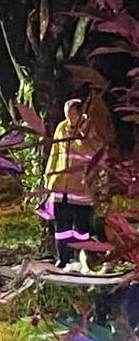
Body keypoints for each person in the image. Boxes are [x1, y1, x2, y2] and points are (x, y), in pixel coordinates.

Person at [45, 99, 103, 273]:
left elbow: (95, 152)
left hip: (81, 190)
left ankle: (81, 258)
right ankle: (63, 258)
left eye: (72, 115)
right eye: (66, 115)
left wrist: (80, 136)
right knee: (61, 228)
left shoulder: (90, 129)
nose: (69, 119)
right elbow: (55, 153)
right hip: (61, 187)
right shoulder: (61, 127)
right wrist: (49, 178)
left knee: (81, 228)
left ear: (79, 113)